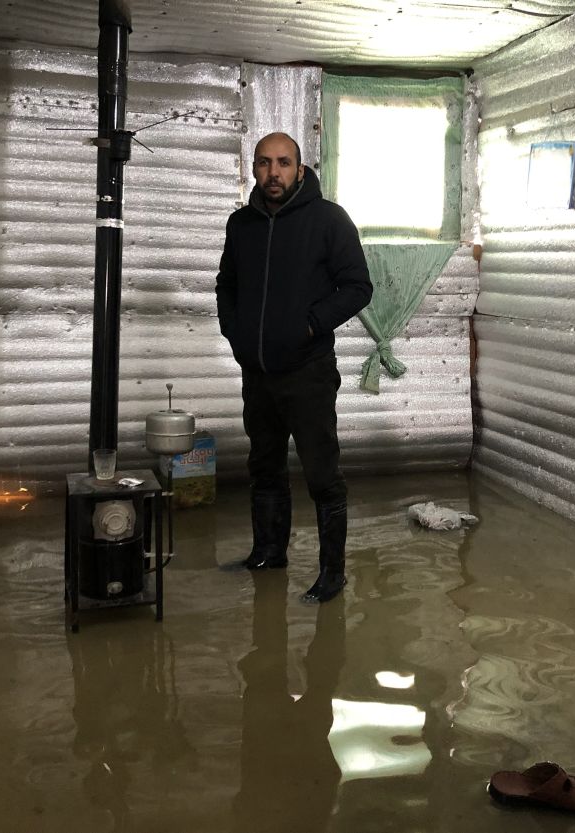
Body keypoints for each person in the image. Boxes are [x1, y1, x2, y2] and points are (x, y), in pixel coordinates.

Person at [215, 132, 372, 603]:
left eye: (284, 163)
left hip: (307, 372)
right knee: (263, 466)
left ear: (300, 170)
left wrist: (308, 326)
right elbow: (227, 283)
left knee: (322, 473)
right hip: (257, 372)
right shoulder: (241, 224)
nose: (274, 173)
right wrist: (234, 330)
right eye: (264, 164)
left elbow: (357, 286)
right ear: (254, 169)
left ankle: (332, 572)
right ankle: (268, 550)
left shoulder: (328, 220)